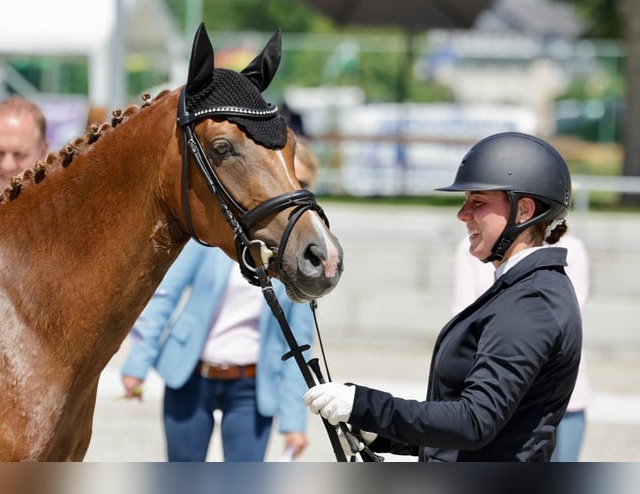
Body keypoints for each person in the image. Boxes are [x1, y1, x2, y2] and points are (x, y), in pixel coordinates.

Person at [303, 131, 582, 462]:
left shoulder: (531, 302)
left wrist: (365, 405)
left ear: (523, 210)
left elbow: (474, 422)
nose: (463, 213)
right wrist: (381, 433)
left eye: (478, 202)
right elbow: (481, 429)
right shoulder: (519, 289)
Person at [120, 140, 319, 462]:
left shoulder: (298, 262)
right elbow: (164, 297)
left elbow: (299, 343)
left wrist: (294, 422)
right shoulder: (217, 236)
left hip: (251, 388)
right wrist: (137, 365)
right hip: (191, 376)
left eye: (303, 184)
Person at [451, 233, 592, 462]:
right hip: (495, 388)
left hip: (560, 388)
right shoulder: (471, 245)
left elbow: (566, 315)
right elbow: (463, 313)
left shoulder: (572, 248)